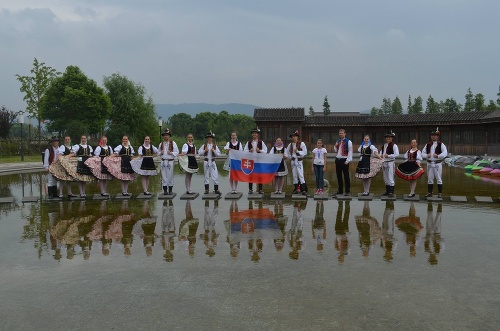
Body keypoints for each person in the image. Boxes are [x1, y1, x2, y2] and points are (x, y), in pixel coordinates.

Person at [422, 127, 448, 198]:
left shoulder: (441, 144)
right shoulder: (427, 144)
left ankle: (440, 193)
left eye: (435, 135)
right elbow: (422, 153)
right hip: (429, 163)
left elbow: (445, 153)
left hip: (437, 163)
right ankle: (430, 192)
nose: (433, 136)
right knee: (430, 179)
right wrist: (427, 155)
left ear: (437, 136)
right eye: (432, 135)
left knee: (439, 178)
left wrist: (438, 156)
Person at [244, 127, 267, 194]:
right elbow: (244, 151)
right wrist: (249, 151)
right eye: (253, 133)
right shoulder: (249, 142)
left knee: (259, 175)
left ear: (257, 135)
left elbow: (265, 151)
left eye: (255, 133)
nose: (254, 135)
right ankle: (250, 189)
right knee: (250, 175)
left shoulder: (261, 142)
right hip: (251, 161)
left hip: (259, 161)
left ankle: (260, 189)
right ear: (252, 135)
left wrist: (259, 150)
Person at [158, 129, 179, 195]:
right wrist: (160, 153)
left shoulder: (173, 143)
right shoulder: (161, 144)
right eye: (164, 135)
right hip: (163, 161)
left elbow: (177, 152)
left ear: (169, 136)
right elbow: (158, 153)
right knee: (163, 175)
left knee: (170, 175)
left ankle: (170, 189)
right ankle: (165, 190)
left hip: (170, 161)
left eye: (167, 135)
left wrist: (171, 153)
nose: (165, 136)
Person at [286, 130, 308, 195]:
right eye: (292, 137)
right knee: (294, 175)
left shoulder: (301, 143)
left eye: (294, 136)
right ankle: (296, 189)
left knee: (301, 175)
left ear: (297, 137)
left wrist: (298, 152)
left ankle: (303, 189)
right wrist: (289, 157)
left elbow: (305, 152)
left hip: (299, 160)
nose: (293, 138)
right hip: (293, 161)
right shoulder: (290, 145)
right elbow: (287, 152)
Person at [333, 129, 353, 196]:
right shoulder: (338, 141)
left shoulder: (348, 141)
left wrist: (348, 160)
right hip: (338, 159)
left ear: (345, 134)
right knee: (339, 176)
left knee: (346, 176)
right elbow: (335, 150)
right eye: (340, 133)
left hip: (344, 160)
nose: (341, 134)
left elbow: (350, 151)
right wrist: (335, 146)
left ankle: (347, 191)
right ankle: (340, 190)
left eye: (342, 133)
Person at [380, 130, 399, 197]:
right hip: (384, 162)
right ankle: (387, 191)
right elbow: (381, 153)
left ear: (392, 138)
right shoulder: (384, 145)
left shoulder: (394, 145)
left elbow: (397, 154)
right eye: (387, 137)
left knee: (390, 176)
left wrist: (388, 156)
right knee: (385, 177)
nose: (388, 138)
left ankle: (391, 192)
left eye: (390, 137)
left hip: (390, 162)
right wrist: (380, 155)